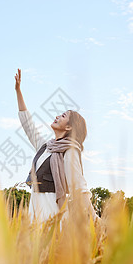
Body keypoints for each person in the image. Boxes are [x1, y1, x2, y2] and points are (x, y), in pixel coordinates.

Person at [14, 68, 97, 222]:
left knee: (50, 244)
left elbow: (79, 187)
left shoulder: (70, 151)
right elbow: (28, 125)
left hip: (51, 209)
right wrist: (18, 91)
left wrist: (95, 219)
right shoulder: (46, 146)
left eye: (63, 116)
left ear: (69, 127)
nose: (58, 116)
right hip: (35, 206)